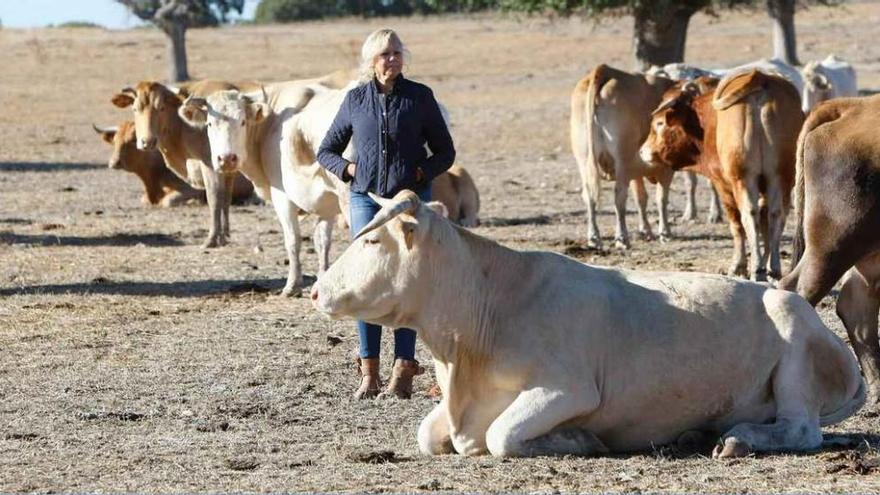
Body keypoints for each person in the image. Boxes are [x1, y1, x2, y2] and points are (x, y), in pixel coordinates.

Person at [317, 28, 456, 399]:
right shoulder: (355, 100)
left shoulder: (420, 97)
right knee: (367, 282)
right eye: (384, 54)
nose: (392, 59)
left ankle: (403, 370)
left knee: (406, 282)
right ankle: (369, 371)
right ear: (371, 61)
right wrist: (350, 171)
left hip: (409, 203)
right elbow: (326, 150)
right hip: (366, 200)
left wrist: (423, 173)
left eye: (396, 52)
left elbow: (445, 151)